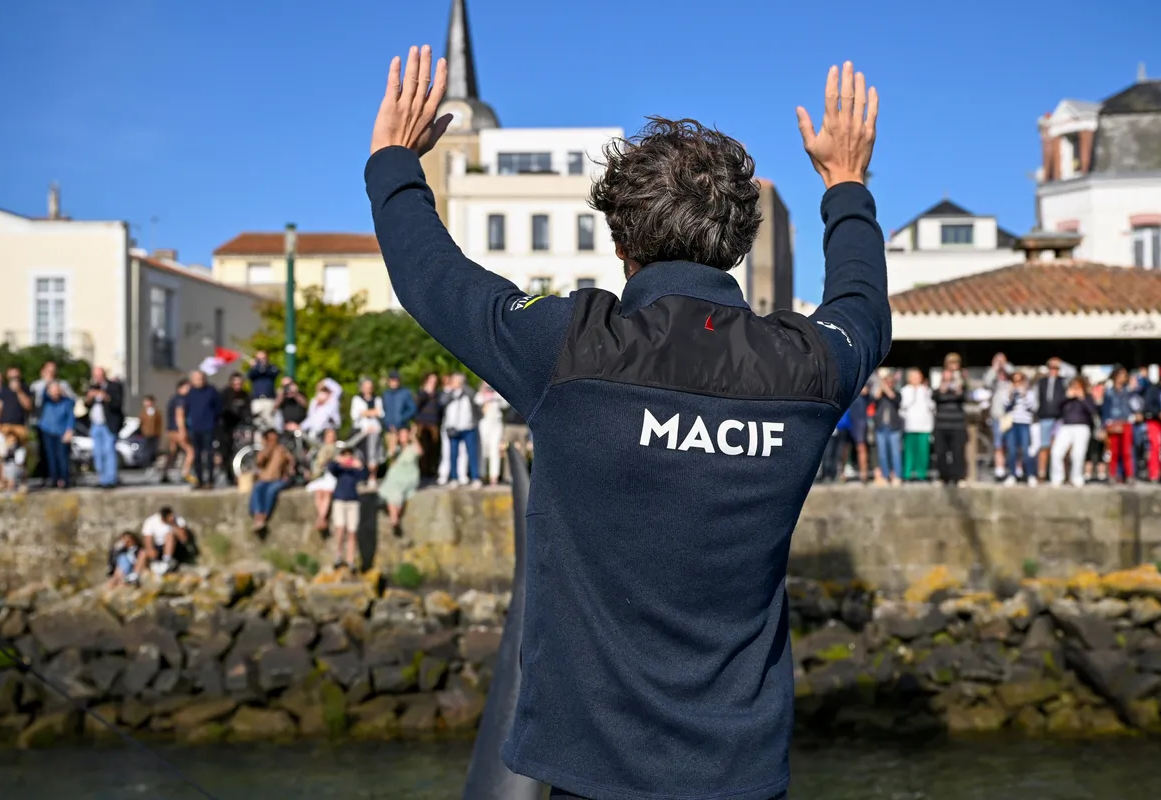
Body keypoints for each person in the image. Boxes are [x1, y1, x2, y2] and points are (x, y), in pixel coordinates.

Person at [369, 50, 884, 799]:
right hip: (743, 777)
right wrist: (846, 184)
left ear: (619, 244)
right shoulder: (805, 368)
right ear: (738, 245)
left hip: (590, 776)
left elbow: (432, 278)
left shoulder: (574, 348)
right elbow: (863, 307)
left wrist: (393, 162)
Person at [1050, 377, 1097, 488]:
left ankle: (1076, 477)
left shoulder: (1087, 397)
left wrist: (1083, 398)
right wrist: (1066, 397)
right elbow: (1055, 409)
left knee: (1078, 454)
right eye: (1073, 386)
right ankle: (1058, 477)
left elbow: (1093, 411)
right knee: (1056, 452)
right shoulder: (1066, 397)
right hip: (1066, 426)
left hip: (1082, 427)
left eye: (1077, 386)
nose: (1075, 388)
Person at [327, 449, 369, 571]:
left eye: (349, 456)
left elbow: (364, 475)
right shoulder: (339, 470)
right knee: (340, 529)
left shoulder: (354, 472)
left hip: (353, 501)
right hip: (339, 500)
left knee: (352, 531)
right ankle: (338, 556)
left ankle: (350, 559)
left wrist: (360, 466)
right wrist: (338, 461)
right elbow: (331, 467)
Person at [85, 367, 125, 489]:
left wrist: (106, 397)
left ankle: (111, 479)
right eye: (95, 376)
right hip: (96, 424)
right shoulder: (92, 387)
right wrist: (89, 398)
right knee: (98, 452)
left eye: (99, 375)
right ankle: (102, 479)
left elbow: (118, 404)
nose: (97, 378)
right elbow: (86, 405)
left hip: (108, 424)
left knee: (109, 451)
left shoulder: (114, 387)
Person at [249, 428, 295, 533]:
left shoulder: (282, 450)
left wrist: (289, 470)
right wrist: (268, 449)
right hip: (265, 479)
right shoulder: (263, 451)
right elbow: (259, 462)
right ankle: (257, 515)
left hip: (278, 479)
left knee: (272, 491)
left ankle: (264, 516)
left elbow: (291, 461)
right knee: (257, 488)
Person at [183, 370, 223, 489]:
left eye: (201, 378)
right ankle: (199, 480)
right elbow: (186, 410)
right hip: (195, 427)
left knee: (209, 454)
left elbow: (218, 408)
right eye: (196, 379)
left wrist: (214, 421)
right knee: (197, 455)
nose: (199, 381)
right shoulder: (190, 393)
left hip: (209, 426)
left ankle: (210, 480)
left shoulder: (212, 391)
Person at [438, 373, 480, 486]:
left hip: (468, 427)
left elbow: (474, 397)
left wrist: (463, 386)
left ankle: (475, 477)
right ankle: (453, 477)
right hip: (453, 428)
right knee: (453, 454)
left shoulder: (468, 392)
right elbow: (442, 402)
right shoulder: (448, 393)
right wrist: (450, 390)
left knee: (471, 453)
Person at [932, 359, 967, 486]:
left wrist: (958, 387)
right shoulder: (939, 385)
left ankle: (958, 478)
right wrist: (943, 386)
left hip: (957, 424)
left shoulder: (961, 384)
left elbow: (964, 397)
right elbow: (934, 397)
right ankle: (943, 477)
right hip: (941, 424)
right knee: (941, 453)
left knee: (957, 452)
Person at [380, 426, 422, 535]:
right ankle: (394, 519)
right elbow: (390, 454)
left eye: (405, 434)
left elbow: (420, 452)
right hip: (396, 477)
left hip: (408, 477)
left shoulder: (412, 447)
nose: (403, 436)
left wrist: (413, 437)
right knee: (392, 490)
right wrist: (393, 438)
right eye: (401, 434)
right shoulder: (397, 449)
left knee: (396, 492)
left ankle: (394, 519)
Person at [1101, 367, 1138, 484]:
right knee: (1114, 451)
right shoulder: (1108, 392)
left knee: (1127, 451)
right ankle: (1113, 475)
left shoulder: (1129, 391)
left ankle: (1129, 475)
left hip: (1126, 422)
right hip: (1113, 423)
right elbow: (1105, 409)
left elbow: (1136, 406)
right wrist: (1106, 424)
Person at [1033, 357, 1067, 482]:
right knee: (1044, 447)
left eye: (1056, 368)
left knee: (1060, 448)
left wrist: (1061, 362)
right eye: (1051, 367)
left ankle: (1062, 475)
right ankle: (1041, 474)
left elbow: (1073, 372)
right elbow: (1035, 400)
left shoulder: (1063, 381)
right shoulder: (1041, 382)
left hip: (1059, 418)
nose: (1053, 370)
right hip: (1045, 418)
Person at [36, 381, 75, 489]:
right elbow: (42, 394)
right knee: (51, 457)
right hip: (47, 431)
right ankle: (53, 479)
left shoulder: (67, 402)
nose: (55, 392)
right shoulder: (46, 401)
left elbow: (71, 417)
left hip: (61, 432)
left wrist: (69, 430)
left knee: (62, 456)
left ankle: (64, 479)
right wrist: (48, 382)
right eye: (53, 390)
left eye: (57, 389)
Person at [1002, 371, 1038, 485]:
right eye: (1015, 381)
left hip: (1025, 423)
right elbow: (1005, 406)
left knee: (1026, 451)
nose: (1017, 383)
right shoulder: (1008, 392)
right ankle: (1012, 474)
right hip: (1012, 423)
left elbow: (1033, 407)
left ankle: (1030, 475)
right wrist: (1011, 395)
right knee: (1012, 451)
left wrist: (1025, 394)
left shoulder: (1030, 393)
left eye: (1020, 381)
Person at [899, 368, 933, 482]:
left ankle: (921, 474)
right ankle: (907, 474)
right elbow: (902, 407)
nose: (916, 379)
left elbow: (931, 407)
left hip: (924, 426)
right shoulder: (904, 391)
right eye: (913, 377)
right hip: (909, 426)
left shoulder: (926, 390)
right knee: (909, 452)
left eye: (918, 377)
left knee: (923, 452)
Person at [349, 378, 385, 489]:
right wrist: (371, 412)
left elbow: (380, 413)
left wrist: (365, 413)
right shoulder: (357, 399)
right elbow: (355, 414)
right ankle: (359, 477)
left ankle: (372, 477)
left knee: (373, 455)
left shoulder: (377, 399)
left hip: (374, 431)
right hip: (361, 432)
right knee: (359, 455)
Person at [218, 373, 252, 486]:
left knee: (240, 450)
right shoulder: (225, 394)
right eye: (235, 383)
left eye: (239, 383)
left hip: (240, 427)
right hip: (226, 427)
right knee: (226, 451)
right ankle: (228, 475)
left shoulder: (245, 395)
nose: (237, 385)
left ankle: (237, 474)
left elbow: (248, 411)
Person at [304, 427, 341, 531]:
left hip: (332, 475)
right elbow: (309, 440)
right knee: (319, 492)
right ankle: (322, 518)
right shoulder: (321, 448)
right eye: (329, 435)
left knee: (327, 492)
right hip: (320, 475)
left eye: (332, 435)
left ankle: (321, 519)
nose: (331, 437)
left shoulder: (338, 448)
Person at [984, 353, 1013, 481]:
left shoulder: (1011, 380)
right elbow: (986, 382)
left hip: (1010, 417)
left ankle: (1013, 469)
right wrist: (995, 367)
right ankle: (999, 470)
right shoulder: (994, 382)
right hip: (997, 415)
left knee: (1011, 444)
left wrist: (1004, 365)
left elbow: (1014, 374)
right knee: (998, 444)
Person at [871, 370, 902, 486]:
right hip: (881, 427)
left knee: (895, 453)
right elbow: (873, 402)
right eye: (886, 382)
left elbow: (895, 401)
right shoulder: (880, 395)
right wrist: (880, 388)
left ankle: (897, 476)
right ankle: (885, 476)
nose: (888, 384)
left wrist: (886, 389)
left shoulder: (897, 394)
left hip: (894, 428)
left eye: (890, 382)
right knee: (882, 454)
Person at [140, 506, 191, 574]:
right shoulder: (151, 521)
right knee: (143, 553)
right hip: (158, 547)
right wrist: (151, 550)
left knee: (169, 535)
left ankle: (167, 561)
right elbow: (147, 538)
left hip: (176, 547)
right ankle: (136, 574)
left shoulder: (178, 520)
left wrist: (173, 524)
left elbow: (184, 539)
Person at [163, 380, 194, 484]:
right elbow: (179, 415)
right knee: (190, 451)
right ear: (181, 388)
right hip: (177, 430)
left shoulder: (173, 398)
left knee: (173, 452)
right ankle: (185, 473)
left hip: (170, 430)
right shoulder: (181, 400)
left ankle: (164, 473)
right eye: (188, 387)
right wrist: (182, 431)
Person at [475, 382, 506, 485]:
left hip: (496, 424)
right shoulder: (480, 394)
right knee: (483, 449)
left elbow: (505, 404)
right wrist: (483, 391)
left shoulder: (497, 394)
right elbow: (476, 401)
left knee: (495, 449)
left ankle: (494, 476)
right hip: (484, 423)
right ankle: (482, 474)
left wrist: (497, 391)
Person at [381, 370, 417, 459]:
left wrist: (402, 419)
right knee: (391, 455)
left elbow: (412, 409)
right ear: (389, 381)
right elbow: (383, 410)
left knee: (404, 454)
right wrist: (386, 423)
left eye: (396, 380)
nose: (394, 382)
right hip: (389, 428)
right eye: (392, 380)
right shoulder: (386, 394)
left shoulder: (405, 393)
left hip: (402, 428)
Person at [414, 374, 442, 479]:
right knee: (422, 448)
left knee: (433, 448)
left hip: (433, 423)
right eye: (431, 380)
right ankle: (422, 472)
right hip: (422, 424)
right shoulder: (421, 393)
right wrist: (426, 393)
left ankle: (431, 470)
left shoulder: (438, 394)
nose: (433, 383)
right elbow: (416, 405)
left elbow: (440, 408)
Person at [246, 351, 280, 428]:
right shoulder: (254, 370)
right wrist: (256, 367)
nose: (261, 360)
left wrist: (260, 367)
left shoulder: (271, 368)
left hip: (269, 400)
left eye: (263, 358)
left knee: (269, 424)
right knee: (257, 423)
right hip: (257, 400)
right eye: (259, 359)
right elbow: (250, 375)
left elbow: (274, 372)